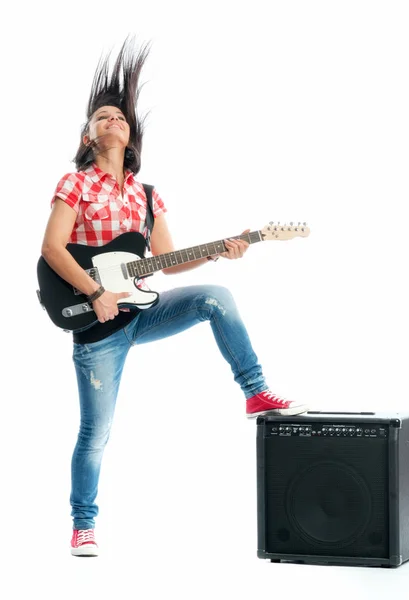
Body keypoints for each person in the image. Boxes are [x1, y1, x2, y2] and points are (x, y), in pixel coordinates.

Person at [40, 37, 309, 557]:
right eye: (102, 116)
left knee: (215, 295)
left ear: (131, 133)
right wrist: (95, 291)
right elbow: (52, 248)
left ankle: (254, 391)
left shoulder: (147, 195)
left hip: (141, 311)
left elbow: (167, 259)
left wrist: (219, 251)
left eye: (120, 116)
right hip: (97, 323)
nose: (113, 119)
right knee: (96, 434)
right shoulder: (75, 184)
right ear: (87, 134)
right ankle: (83, 525)